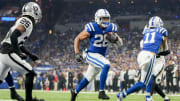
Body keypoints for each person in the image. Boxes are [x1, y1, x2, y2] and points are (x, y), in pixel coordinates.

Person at [71, 9, 123, 101]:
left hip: (100, 57)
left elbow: (120, 44)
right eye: (103, 19)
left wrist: (115, 39)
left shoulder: (111, 28)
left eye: (107, 19)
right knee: (106, 65)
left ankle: (74, 92)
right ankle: (101, 92)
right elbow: (77, 38)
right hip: (91, 54)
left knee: (89, 78)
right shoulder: (92, 27)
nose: (106, 21)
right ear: (98, 19)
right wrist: (77, 53)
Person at [117, 16, 168, 101]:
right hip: (150, 56)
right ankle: (146, 97)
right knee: (147, 80)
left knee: (144, 80)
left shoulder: (146, 31)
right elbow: (164, 47)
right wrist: (165, 47)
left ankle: (124, 95)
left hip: (141, 55)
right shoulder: (162, 31)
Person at [0, 2, 44, 101]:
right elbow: (14, 36)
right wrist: (18, 53)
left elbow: (19, 43)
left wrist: (31, 55)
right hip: (8, 51)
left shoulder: (23, 20)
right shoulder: (27, 20)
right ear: (34, 12)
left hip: (4, 51)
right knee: (30, 73)